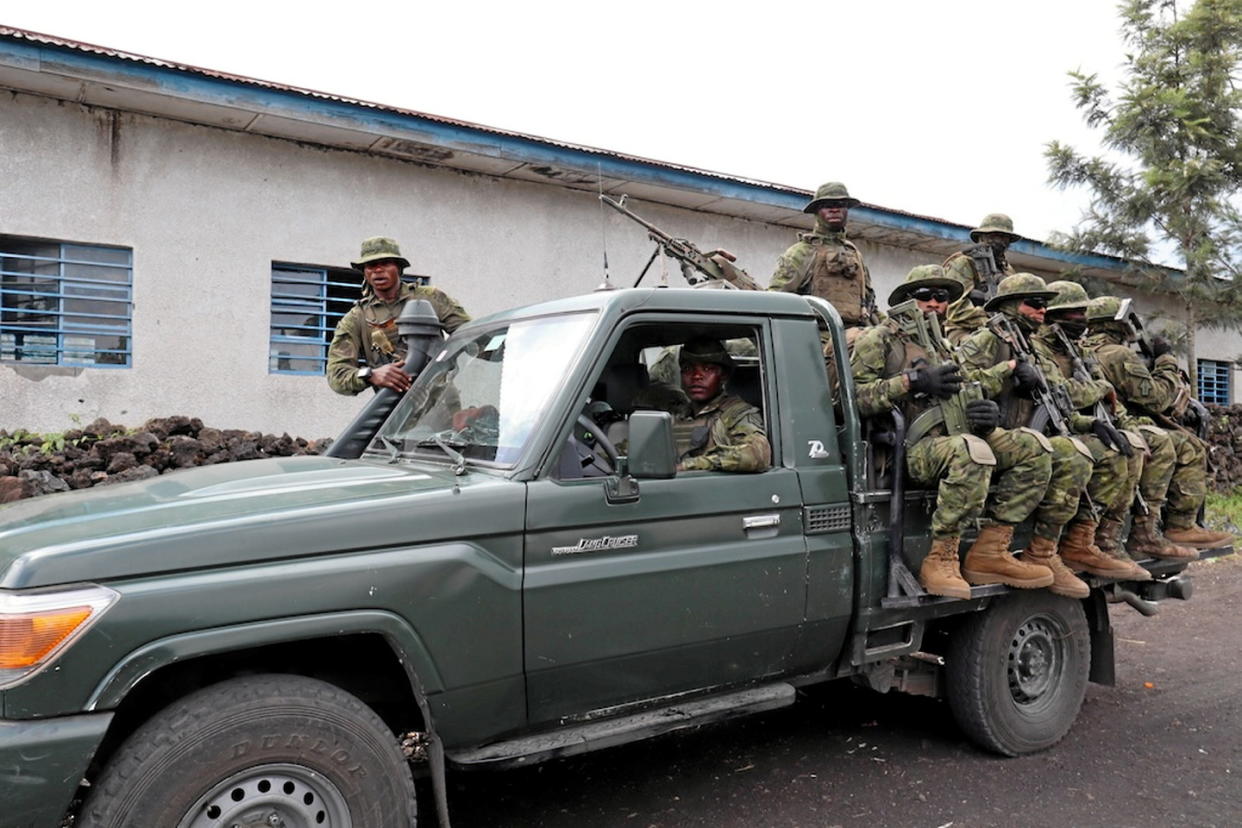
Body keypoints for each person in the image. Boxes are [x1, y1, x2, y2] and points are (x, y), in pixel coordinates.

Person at [850, 265, 1053, 598]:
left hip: (952, 436)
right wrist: (912, 381)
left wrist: (988, 411)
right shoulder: (881, 339)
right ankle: (940, 558)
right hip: (908, 450)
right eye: (924, 296)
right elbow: (852, 400)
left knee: (1034, 447)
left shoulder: (942, 344)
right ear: (906, 299)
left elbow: (965, 386)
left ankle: (991, 549)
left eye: (941, 297)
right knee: (970, 451)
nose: (934, 303)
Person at [955, 273, 1135, 597]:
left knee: (1103, 450)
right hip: (986, 435)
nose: (1042, 311)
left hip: (1024, 435)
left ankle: (1050, 549)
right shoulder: (986, 340)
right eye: (1034, 304)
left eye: (1044, 305)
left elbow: (1051, 406)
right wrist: (1005, 374)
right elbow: (959, 384)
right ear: (1011, 305)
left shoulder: (1029, 347)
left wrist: (1089, 425)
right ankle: (991, 550)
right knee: (1068, 453)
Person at [1082, 296, 1232, 552]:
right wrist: (1166, 362)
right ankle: (1174, 527)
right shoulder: (1117, 354)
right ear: (1118, 324)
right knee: (1189, 445)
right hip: (1117, 426)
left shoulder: (1085, 350)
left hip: (1107, 424)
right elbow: (1158, 399)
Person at [1035, 281, 1148, 580]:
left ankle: (1098, 538)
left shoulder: (1079, 350)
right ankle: (1054, 545)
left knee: (1131, 446)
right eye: (1074, 316)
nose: (1081, 322)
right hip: (1048, 428)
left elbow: (1109, 403)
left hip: (1076, 424)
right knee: (1081, 454)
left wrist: (1127, 426)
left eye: (1083, 315)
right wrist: (1100, 389)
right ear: (1053, 316)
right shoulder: (1037, 348)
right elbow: (1063, 394)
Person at [326, 236, 470, 396]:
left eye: (386, 263)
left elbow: (471, 337)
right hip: (396, 411)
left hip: (441, 405)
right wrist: (370, 375)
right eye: (371, 266)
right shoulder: (356, 318)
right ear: (365, 273)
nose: (378, 270)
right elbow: (337, 376)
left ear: (399, 268)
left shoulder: (430, 298)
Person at [768, 181, 879, 333]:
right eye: (827, 205)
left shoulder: (855, 254)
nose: (834, 209)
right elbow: (776, 300)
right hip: (813, 337)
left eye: (840, 204)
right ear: (816, 211)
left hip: (855, 336)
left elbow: (869, 303)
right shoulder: (801, 253)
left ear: (847, 210)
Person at [674, 338, 771, 473]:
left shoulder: (736, 414)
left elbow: (757, 454)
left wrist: (690, 465)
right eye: (688, 368)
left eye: (707, 369)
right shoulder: (676, 414)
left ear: (723, 376)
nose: (696, 376)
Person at [942, 213, 1020, 345]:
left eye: (1004, 237)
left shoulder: (1008, 271)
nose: (999, 240)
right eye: (993, 235)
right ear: (981, 237)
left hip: (1004, 330)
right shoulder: (963, 263)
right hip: (963, 330)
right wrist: (993, 322)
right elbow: (956, 310)